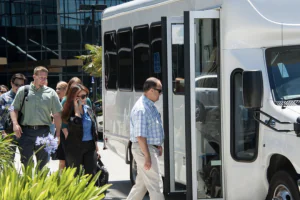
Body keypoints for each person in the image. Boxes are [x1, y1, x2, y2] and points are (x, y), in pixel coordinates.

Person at [10, 66, 62, 169]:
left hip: (44, 132)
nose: (43, 80)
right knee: (26, 164)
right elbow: (13, 108)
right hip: (26, 132)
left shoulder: (51, 93)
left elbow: (57, 114)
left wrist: (58, 134)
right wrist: (15, 124)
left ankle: (41, 184)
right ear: (34, 76)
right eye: (41, 77)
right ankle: (28, 184)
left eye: (45, 77)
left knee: (43, 165)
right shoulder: (23, 90)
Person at [127, 77, 165, 200]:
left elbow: (151, 129)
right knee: (156, 184)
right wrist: (147, 156)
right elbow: (140, 135)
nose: (161, 93)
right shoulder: (141, 109)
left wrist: (157, 144)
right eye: (159, 90)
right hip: (144, 149)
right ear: (151, 90)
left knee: (141, 186)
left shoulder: (149, 106)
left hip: (147, 148)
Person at [61, 84, 99, 176]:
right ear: (74, 98)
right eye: (81, 97)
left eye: (85, 96)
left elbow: (94, 129)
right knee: (74, 175)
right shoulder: (69, 112)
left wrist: (96, 147)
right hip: (75, 146)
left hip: (89, 146)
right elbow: (75, 124)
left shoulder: (88, 109)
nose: (84, 99)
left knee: (91, 174)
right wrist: (77, 110)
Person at [57, 77, 92, 170]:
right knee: (64, 161)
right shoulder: (65, 100)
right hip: (68, 134)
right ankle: (62, 181)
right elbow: (63, 121)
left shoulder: (87, 101)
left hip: (83, 136)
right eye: (73, 86)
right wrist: (66, 136)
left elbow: (91, 117)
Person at [0, 74, 26, 161]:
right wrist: (3, 132)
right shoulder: (4, 98)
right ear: (11, 83)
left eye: (21, 85)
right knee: (9, 161)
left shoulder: (26, 97)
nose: (18, 87)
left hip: (24, 132)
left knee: (27, 161)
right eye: (16, 84)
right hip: (9, 133)